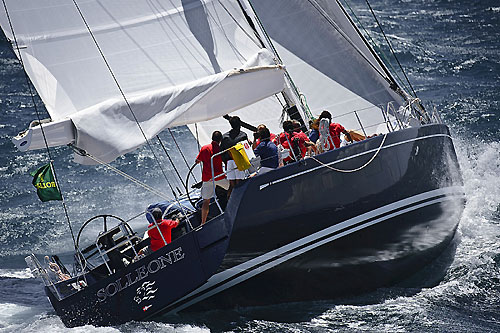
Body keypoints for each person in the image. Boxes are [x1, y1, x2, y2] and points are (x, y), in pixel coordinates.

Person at [195, 130, 229, 224]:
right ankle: (231, 208)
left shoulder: (204, 148)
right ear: (220, 140)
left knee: (206, 201)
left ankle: (203, 222)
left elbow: (197, 161)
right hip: (219, 177)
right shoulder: (221, 148)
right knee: (232, 187)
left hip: (208, 178)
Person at [220, 116, 249, 198]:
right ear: (240, 124)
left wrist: (225, 162)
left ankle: (230, 201)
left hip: (229, 162)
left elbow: (221, 151)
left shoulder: (224, 137)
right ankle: (240, 199)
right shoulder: (243, 135)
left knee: (232, 185)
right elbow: (247, 150)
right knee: (239, 183)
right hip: (238, 161)